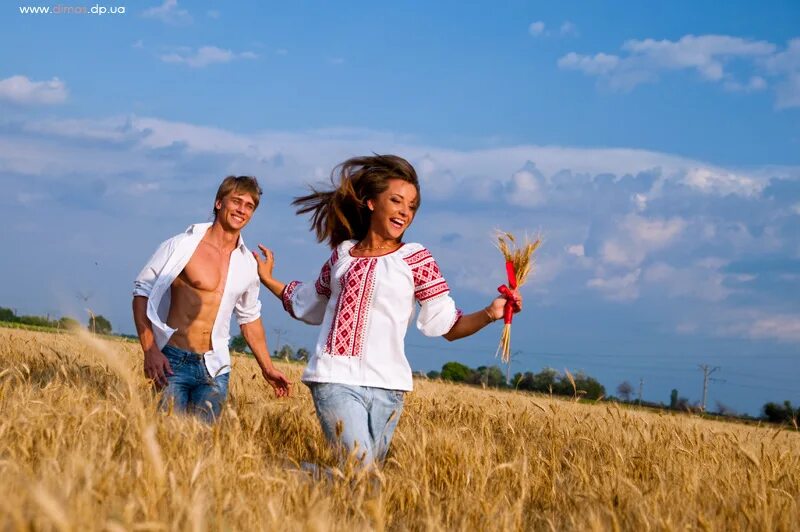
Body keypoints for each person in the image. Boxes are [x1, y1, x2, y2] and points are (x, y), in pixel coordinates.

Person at [254, 155, 521, 466]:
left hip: (389, 388)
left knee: (365, 486)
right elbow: (306, 301)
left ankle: (289, 476)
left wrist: (490, 312)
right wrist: (269, 280)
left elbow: (448, 326)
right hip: (334, 376)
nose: (404, 211)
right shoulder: (343, 255)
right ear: (371, 203)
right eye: (396, 200)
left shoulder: (416, 258)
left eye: (411, 206)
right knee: (360, 469)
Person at [132, 175, 291, 423]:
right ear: (219, 203)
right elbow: (142, 292)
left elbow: (249, 319)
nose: (242, 210)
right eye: (236, 201)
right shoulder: (183, 245)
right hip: (173, 361)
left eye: (249, 206)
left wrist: (267, 367)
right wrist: (150, 350)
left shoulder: (248, 262)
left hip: (215, 368)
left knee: (205, 449)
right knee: (166, 441)